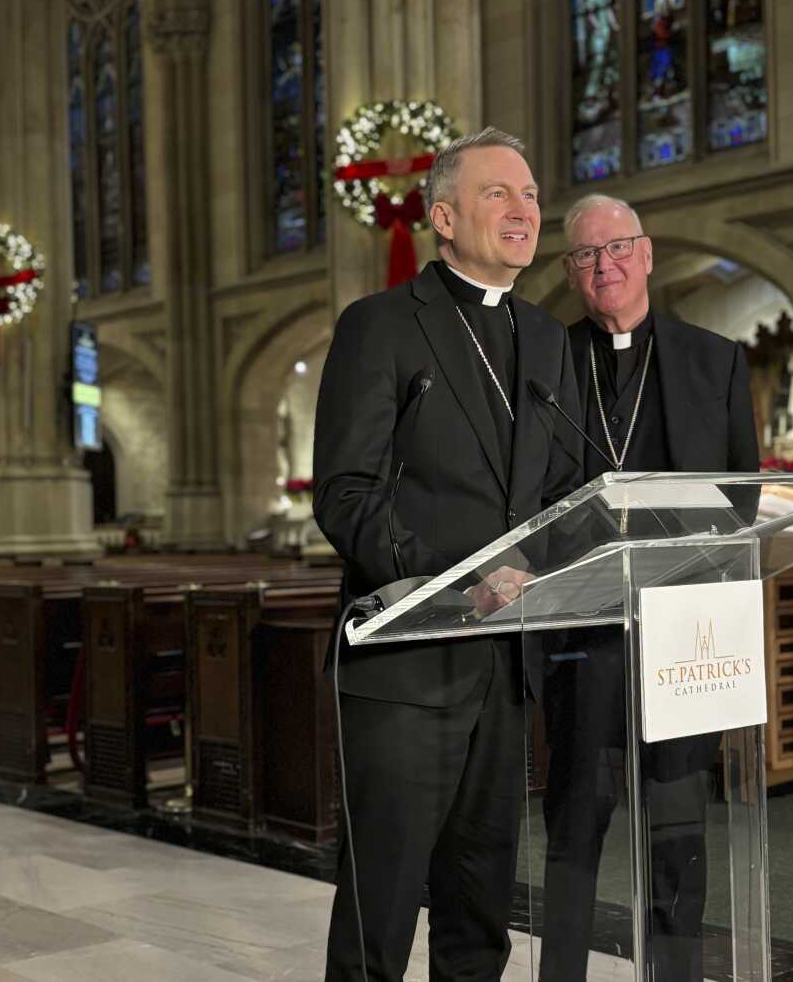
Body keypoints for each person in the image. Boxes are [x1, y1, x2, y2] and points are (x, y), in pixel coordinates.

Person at [313, 127, 584, 982]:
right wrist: (456, 582)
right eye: (499, 193)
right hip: (405, 667)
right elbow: (346, 496)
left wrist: (549, 561)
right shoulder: (382, 327)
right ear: (442, 217)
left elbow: (566, 493)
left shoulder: (547, 341)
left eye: (533, 194)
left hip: (507, 670)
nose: (525, 209)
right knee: (380, 912)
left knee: (481, 913)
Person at [539, 193, 759, 982]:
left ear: (648, 252)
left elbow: (744, 503)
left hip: (684, 637)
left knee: (676, 833)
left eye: (618, 247)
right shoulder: (544, 362)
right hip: (582, 634)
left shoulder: (715, 359)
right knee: (574, 829)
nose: (605, 265)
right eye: (586, 256)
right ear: (570, 272)